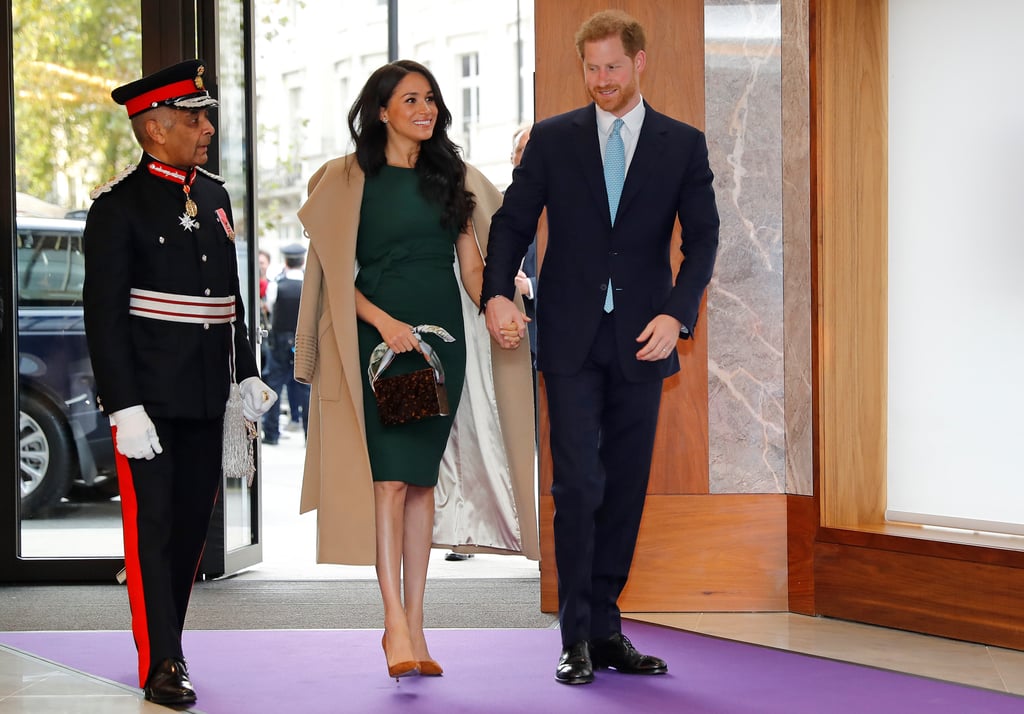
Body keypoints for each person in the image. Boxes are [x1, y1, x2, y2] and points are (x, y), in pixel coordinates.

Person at [481, 10, 720, 686]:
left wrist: (678, 314)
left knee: (625, 485)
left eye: (613, 67)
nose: (601, 80)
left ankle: (608, 629)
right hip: (570, 338)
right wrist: (498, 292)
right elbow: (510, 222)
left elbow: (701, 240)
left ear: (639, 63)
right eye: (592, 68)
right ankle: (576, 635)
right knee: (578, 483)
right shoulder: (554, 141)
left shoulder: (683, 145)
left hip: (645, 341)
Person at [293, 59, 539, 680]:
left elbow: (473, 269)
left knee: (421, 482)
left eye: (431, 99)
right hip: (383, 348)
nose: (426, 109)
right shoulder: (347, 180)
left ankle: (419, 623)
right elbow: (331, 281)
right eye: (411, 100)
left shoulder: (449, 177)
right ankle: (392, 621)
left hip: (440, 347)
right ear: (381, 110)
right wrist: (383, 322)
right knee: (390, 482)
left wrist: (498, 304)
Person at [81, 59, 277, 707]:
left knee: (192, 528)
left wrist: (244, 370)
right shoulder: (117, 208)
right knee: (153, 529)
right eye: (194, 118)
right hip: (150, 400)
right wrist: (123, 405)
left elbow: (228, 294)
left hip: (204, 391)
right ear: (154, 129)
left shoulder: (214, 196)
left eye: (206, 116)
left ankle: (173, 644)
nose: (208, 128)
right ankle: (162, 659)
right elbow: (103, 316)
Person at [261, 242, 310, 444]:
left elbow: (270, 308)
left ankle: (272, 434)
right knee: (305, 387)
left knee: (274, 385)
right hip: (304, 340)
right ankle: (310, 436)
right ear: (302, 260)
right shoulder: (309, 285)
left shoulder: (276, 285)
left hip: (280, 340)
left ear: (286, 261)